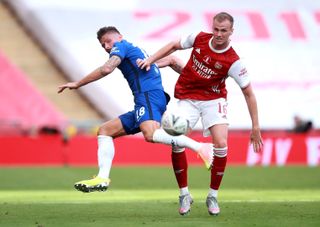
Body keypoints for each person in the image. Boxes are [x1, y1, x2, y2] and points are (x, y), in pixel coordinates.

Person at [57, 26, 214, 193]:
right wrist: (199, 81)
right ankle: (102, 178)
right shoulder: (137, 52)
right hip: (148, 99)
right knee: (105, 131)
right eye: (103, 45)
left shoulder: (121, 46)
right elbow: (172, 60)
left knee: (150, 134)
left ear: (120, 37)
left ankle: (201, 148)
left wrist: (77, 83)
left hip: (148, 97)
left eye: (108, 41)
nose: (107, 47)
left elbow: (106, 68)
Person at [137, 12, 264, 216]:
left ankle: (212, 196)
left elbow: (249, 93)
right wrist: (149, 60)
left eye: (224, 30)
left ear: (232, 31)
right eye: (216, 29)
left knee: (221, 144)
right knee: (175, 139)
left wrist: (255, 127)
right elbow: (173, 46)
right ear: (212, 27)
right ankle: (184, 194)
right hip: (188, 98)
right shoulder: (199, 38)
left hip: (214, 100)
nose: (219, 34)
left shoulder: (233, 61)